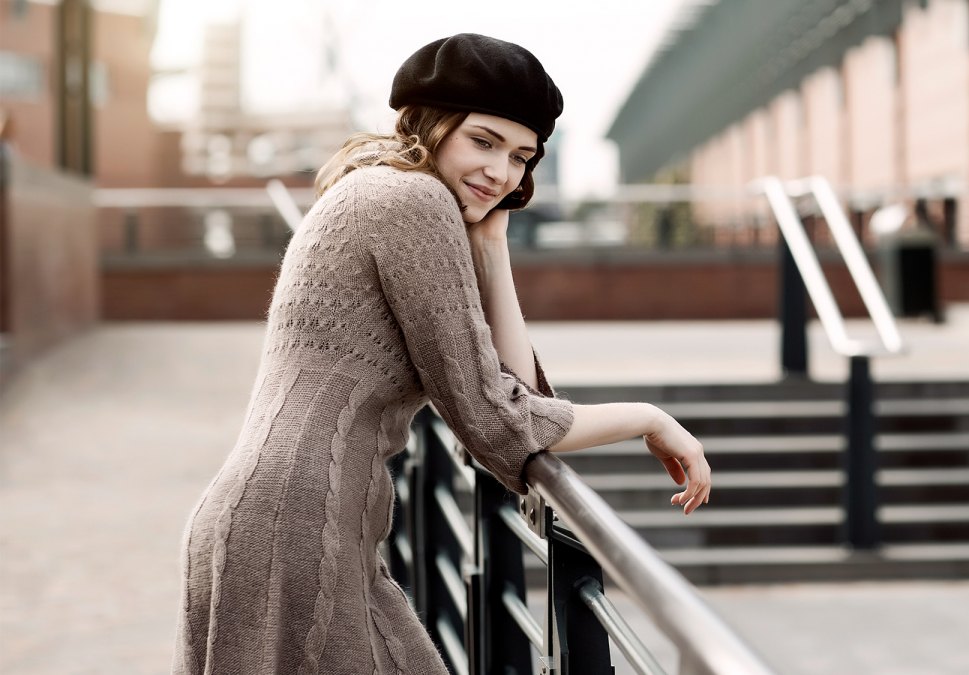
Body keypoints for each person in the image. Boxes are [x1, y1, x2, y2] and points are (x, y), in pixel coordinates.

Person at [172, 33, 711, 674]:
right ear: (430, 125)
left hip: (291, 522)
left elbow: (516, 398)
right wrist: (649, 417)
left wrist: (492, 247)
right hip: (296, 529)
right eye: (482, 141)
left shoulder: (382, 190)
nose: (500, 173)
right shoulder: (413, 203)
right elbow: (498, 418)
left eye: (521, 157)